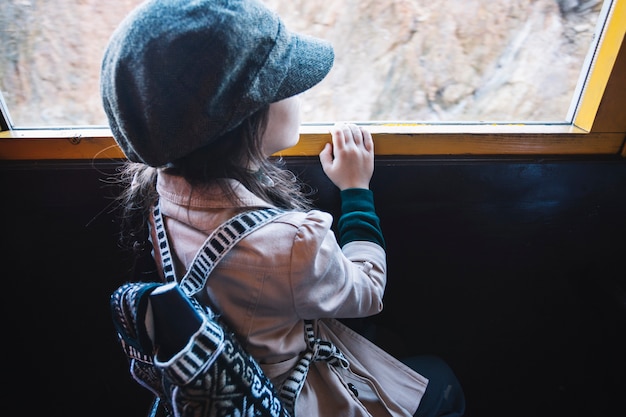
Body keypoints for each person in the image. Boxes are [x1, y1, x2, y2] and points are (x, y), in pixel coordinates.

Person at [100, 0, 465, 416]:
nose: (299, 91)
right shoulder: (289, 243)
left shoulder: (160, 191)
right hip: (290, 396)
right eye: (285, 84)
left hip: (232, 379)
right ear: (243, 119)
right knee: (441, 381)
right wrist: (356, 190)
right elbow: (366, 292)